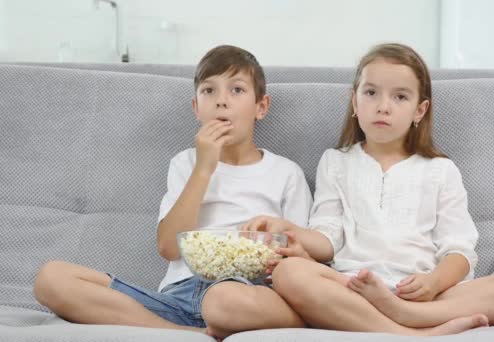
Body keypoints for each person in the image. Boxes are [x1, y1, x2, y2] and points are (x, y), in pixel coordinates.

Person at [242, 43, 494, 336]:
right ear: (355, 101)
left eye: (400, 97)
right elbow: (327, 238)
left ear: (419, 112)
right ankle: (410, 334)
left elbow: (460, 252)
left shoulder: (440, 170)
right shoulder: (335, 162)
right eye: (371, 93)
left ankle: (407, 314)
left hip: (426, 291)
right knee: (290, 273)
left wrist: (432, 283)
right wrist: (288, 229)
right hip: (356, 287)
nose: (383, 107)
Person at [33, 45, 312, 338]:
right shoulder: (185, 163)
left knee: (227, 300)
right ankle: (182, 332)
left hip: (242, 295)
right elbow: (168, 247)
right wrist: (204, 167)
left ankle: (216, 321)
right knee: (51, 278)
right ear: (196, 108)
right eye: (209, 91)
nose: (221, 102)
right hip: (177, 298)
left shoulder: (286, 173)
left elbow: (299, 259)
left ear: (261, 107)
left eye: (237, 90)